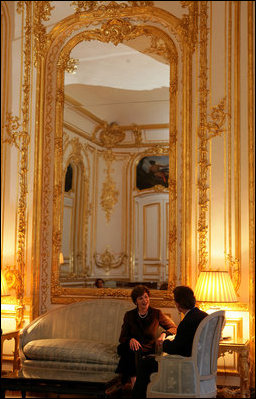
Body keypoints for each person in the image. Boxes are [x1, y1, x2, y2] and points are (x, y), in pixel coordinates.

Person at [132, 285, 208, 398]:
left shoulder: (186, 322)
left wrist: (164, 344)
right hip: (201, 366)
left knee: (145, 363)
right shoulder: (204, 316)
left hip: (184, 365)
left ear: (178, 304)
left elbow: (177, 349)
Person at [106, 285, 177, 396]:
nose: (145, 300)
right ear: (136, 301)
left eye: (146, 297)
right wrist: (131, 339)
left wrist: (164, 334)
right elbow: (122, 337)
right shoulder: (129, 315)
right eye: (141, 298)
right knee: (131, 350)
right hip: (130, 347)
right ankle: (135, 384)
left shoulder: (156, 313)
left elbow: (174, 328)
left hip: (148, 347)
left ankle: (127, 383)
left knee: (131, 352)